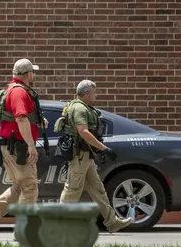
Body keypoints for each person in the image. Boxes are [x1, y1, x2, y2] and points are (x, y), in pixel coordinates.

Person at [0, 59, 46, 237]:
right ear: (28, 74)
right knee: (29, 187)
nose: (34, 76)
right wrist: (32, 146)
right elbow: (21, 118)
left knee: (20, 187)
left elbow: (23, 118)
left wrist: (37, 121)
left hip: (11, 146)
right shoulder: (19, 92)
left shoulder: (12, 90)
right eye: (33, 73)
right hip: (18, 148)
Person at [56, 80, 132, 233]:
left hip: (85, 156)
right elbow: (83, 132)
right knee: (72, 189)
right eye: (94, 92)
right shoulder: (79, 108)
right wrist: (104, 149)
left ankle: (112, 221)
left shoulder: (82, 107)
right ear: (86, 93)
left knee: (98, 189)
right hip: (79, 156)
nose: (95, 95)